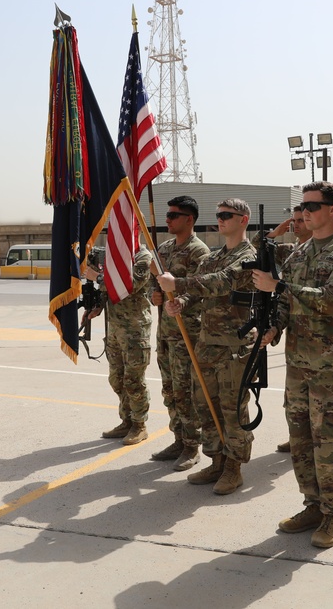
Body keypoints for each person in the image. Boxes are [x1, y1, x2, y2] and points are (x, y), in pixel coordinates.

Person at [251, 181, 333, 548]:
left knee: (328, 443)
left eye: (311, 207)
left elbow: (330, 300)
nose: (303, 213)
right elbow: (286, 304)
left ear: (332, 210)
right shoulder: (300, 254)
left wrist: (280, 288)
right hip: (298, 366)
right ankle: (313, 505)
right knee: (300, 442)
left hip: (332, 368)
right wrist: (273, 326)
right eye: (301, 207)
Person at [156, 198, 256, 496]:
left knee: (232, 408)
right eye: (219, 215)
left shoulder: (248, 255)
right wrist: (181, 302)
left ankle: (234, 468)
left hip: (233, 346)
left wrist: (180, 285)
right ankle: (217, 460)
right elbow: (200, 292)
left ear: (244, 220)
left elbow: (222, 282)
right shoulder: (214, 255)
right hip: (208, 342)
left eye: (227, 215)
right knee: (206, 405)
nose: (221, 219)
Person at [149, 196, 210, 471]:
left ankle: (191, 445)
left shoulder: (200, 252)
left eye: (174, 215)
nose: (168, 219)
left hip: (188, 332)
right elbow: (156, 283)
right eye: (167, 214)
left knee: (186, 390)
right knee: (170, 389)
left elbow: (202, 290)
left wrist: (181, 301)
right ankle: (178, 438)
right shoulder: (164, 249)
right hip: (166, 332)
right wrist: (156, 294)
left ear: (189, 219)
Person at [85, 248, 154, 446]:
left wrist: (98, 277)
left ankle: (140, 424)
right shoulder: (117, 256)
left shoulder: (143, 257)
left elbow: (131, 285)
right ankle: (127, 420)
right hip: (114, 327)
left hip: (135, 329)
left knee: (134, 379)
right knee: (117, 378)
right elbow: (109, 291)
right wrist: (98, 306)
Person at [256, 205, 310, 454]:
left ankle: (310, 441)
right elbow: (260, 247)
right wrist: (275, 232)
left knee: (319, 400)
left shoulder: (330, 252)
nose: (296, 225)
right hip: (296, 337)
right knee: (294, 397)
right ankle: (297, 437)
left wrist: (277, 287)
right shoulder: (292, 252)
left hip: (321, 338)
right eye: (294, 221)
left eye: (301, 220)